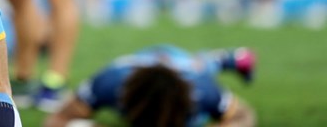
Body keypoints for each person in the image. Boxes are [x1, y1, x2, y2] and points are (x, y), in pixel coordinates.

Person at [45, 45, 258, 127]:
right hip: (137, 61)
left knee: (203, 65)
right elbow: (57, 119)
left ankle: (235, 58)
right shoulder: (109, 83)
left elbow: (243, 116)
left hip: (183, 64)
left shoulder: (202, 90)